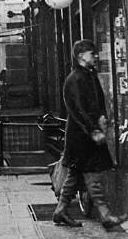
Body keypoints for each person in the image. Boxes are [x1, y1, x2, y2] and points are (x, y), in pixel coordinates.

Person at [53, 39, 126, 229]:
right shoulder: (75, 79)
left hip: (86, 134)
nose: (95, 56)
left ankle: (61, 210)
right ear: (80, 57)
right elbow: (77, 109)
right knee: (89, 172)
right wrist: (93, 130)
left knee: (77, 172)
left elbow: (98, 101)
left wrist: (102, 117)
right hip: (81, 136)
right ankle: (104, 215)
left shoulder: (89, 75)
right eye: (91, 53)